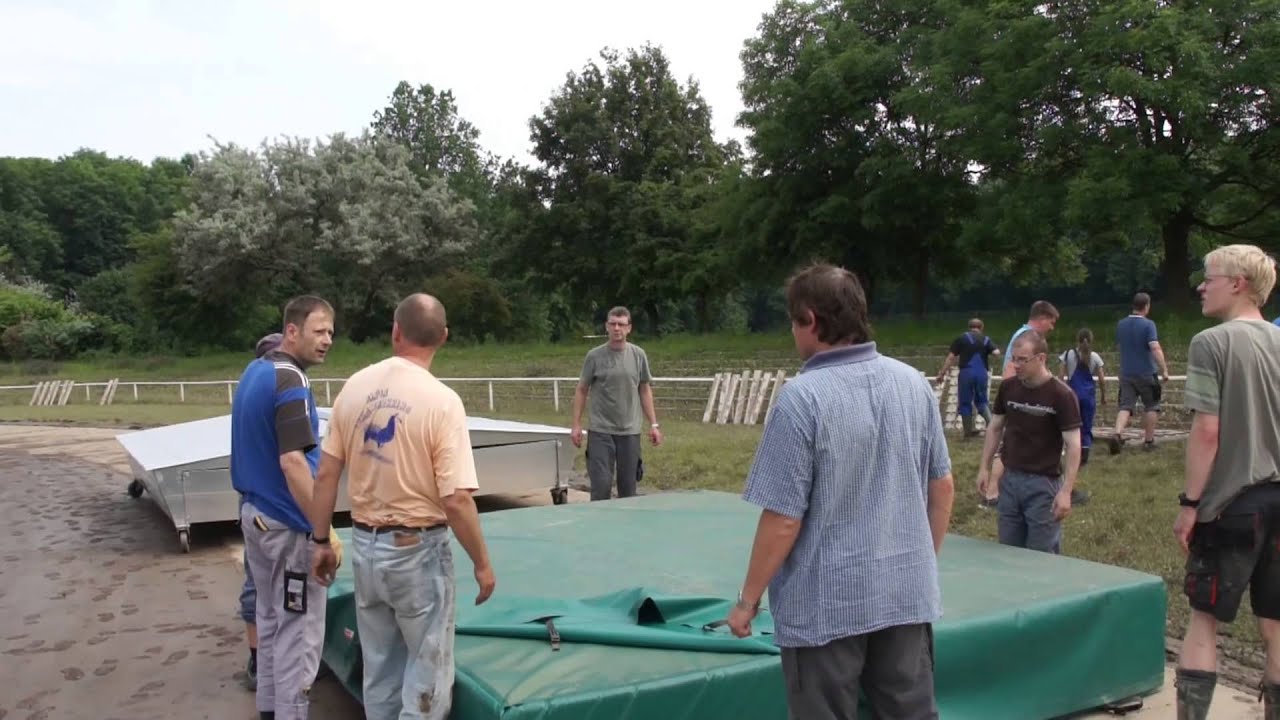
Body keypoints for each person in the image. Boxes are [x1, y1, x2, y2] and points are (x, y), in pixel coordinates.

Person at [726, 264, 955, 719]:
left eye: (793, 322)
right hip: (905, 597)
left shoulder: (802, 399)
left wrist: (747, 601)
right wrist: (917, 564)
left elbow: (784, 518)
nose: (793, 333)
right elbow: (943, 486)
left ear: (810, 320)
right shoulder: (914, 384)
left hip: (825, 607)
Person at [310, 293, 496, 720]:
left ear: (395, 331)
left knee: (380, 667)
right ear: (443, 338)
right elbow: (456, 498)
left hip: (365, 546)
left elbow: (325, 475)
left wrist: (320, 539)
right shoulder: (441, 401)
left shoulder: (354, 387)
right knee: (427, 673)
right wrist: (482, 563)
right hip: (417, 550)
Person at [1173, 245, 1280, 719]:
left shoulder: (1211, 343)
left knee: (1203, 621)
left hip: (1232, 504)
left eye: (1209, 277)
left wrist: (1191, 504)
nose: (1201, 285)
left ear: (1237, 283)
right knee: (1275, 626)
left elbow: (1207, 431)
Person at [232, 295, 334, 720]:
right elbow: (293, 462)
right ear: (292, 331)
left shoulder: (256, 371)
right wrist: (322, 533)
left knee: (273, 622)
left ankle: (271, 710)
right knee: (299, 633)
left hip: (256, 518)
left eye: (331, 331)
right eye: (318, 331)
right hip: (287, 528)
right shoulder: (291, 380)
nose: (327, 340)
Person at [978, 331, 1082, 555]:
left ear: (1041, 358)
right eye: (1013, 359)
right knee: (1008, 551)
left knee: (1041, 555)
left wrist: (1066, 491)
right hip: (1010, 480)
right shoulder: (1008, 388)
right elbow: (995, 427)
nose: (1016, 365)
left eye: (1022, 360)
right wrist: (984, 468)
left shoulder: (1062, 395)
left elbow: (1074, 445)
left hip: (1044, 484)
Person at [570, 306, 663, 501]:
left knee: (628, 489)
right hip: (600, 430)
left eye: (621, 324)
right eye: (612, 323)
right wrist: (576, 425)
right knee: (601, 486)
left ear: (629, 328)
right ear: (606, 326)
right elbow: (581, 389)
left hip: (629, 431)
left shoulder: (638, 355)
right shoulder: (594, 356)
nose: (616, 328)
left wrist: (654, 425)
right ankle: (600, 527)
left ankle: (626, 528)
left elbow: (644, 390)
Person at [238, 332, 284, 692]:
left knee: (258, 583)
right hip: (275, 505)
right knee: (278, 584)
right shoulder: (282, 390)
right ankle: (266, 660)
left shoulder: (248, 391)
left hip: (251, 502)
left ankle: (260, 661)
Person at [1107, 292, 1171, 454]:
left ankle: (1118, 434)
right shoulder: (1148, 325)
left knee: (1125, 406)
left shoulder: (1121, 324)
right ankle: (1149, 441)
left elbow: (1120, 348)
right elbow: (1154, 347)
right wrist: (1164, 369)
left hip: (1127, 373)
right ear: (1147, 306)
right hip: (1146, 372)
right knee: (1152, 406)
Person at [936, 317, 1001, 438]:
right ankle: (993, 429)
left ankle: (968, 432)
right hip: (982, 373)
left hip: (966, 373)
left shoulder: (961, 338)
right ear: (981, 328)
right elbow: (996, 352)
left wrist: (942, 373)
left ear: (969, 327)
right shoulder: (986, 339)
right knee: (982, 401)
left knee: (965, 401)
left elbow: (951, 357)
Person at [1058, 328, 1106, 467]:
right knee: (1086, 426)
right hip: (1089, 397)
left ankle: (1070, 452)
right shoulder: (1096, 357)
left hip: (1072, 396)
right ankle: (1084, 456)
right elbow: (1102, 380)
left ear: (1076, 340)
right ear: (1091, 341)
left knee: (1071, 426)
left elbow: (1061, 377)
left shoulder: (1067, 355)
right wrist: (1103, 396)